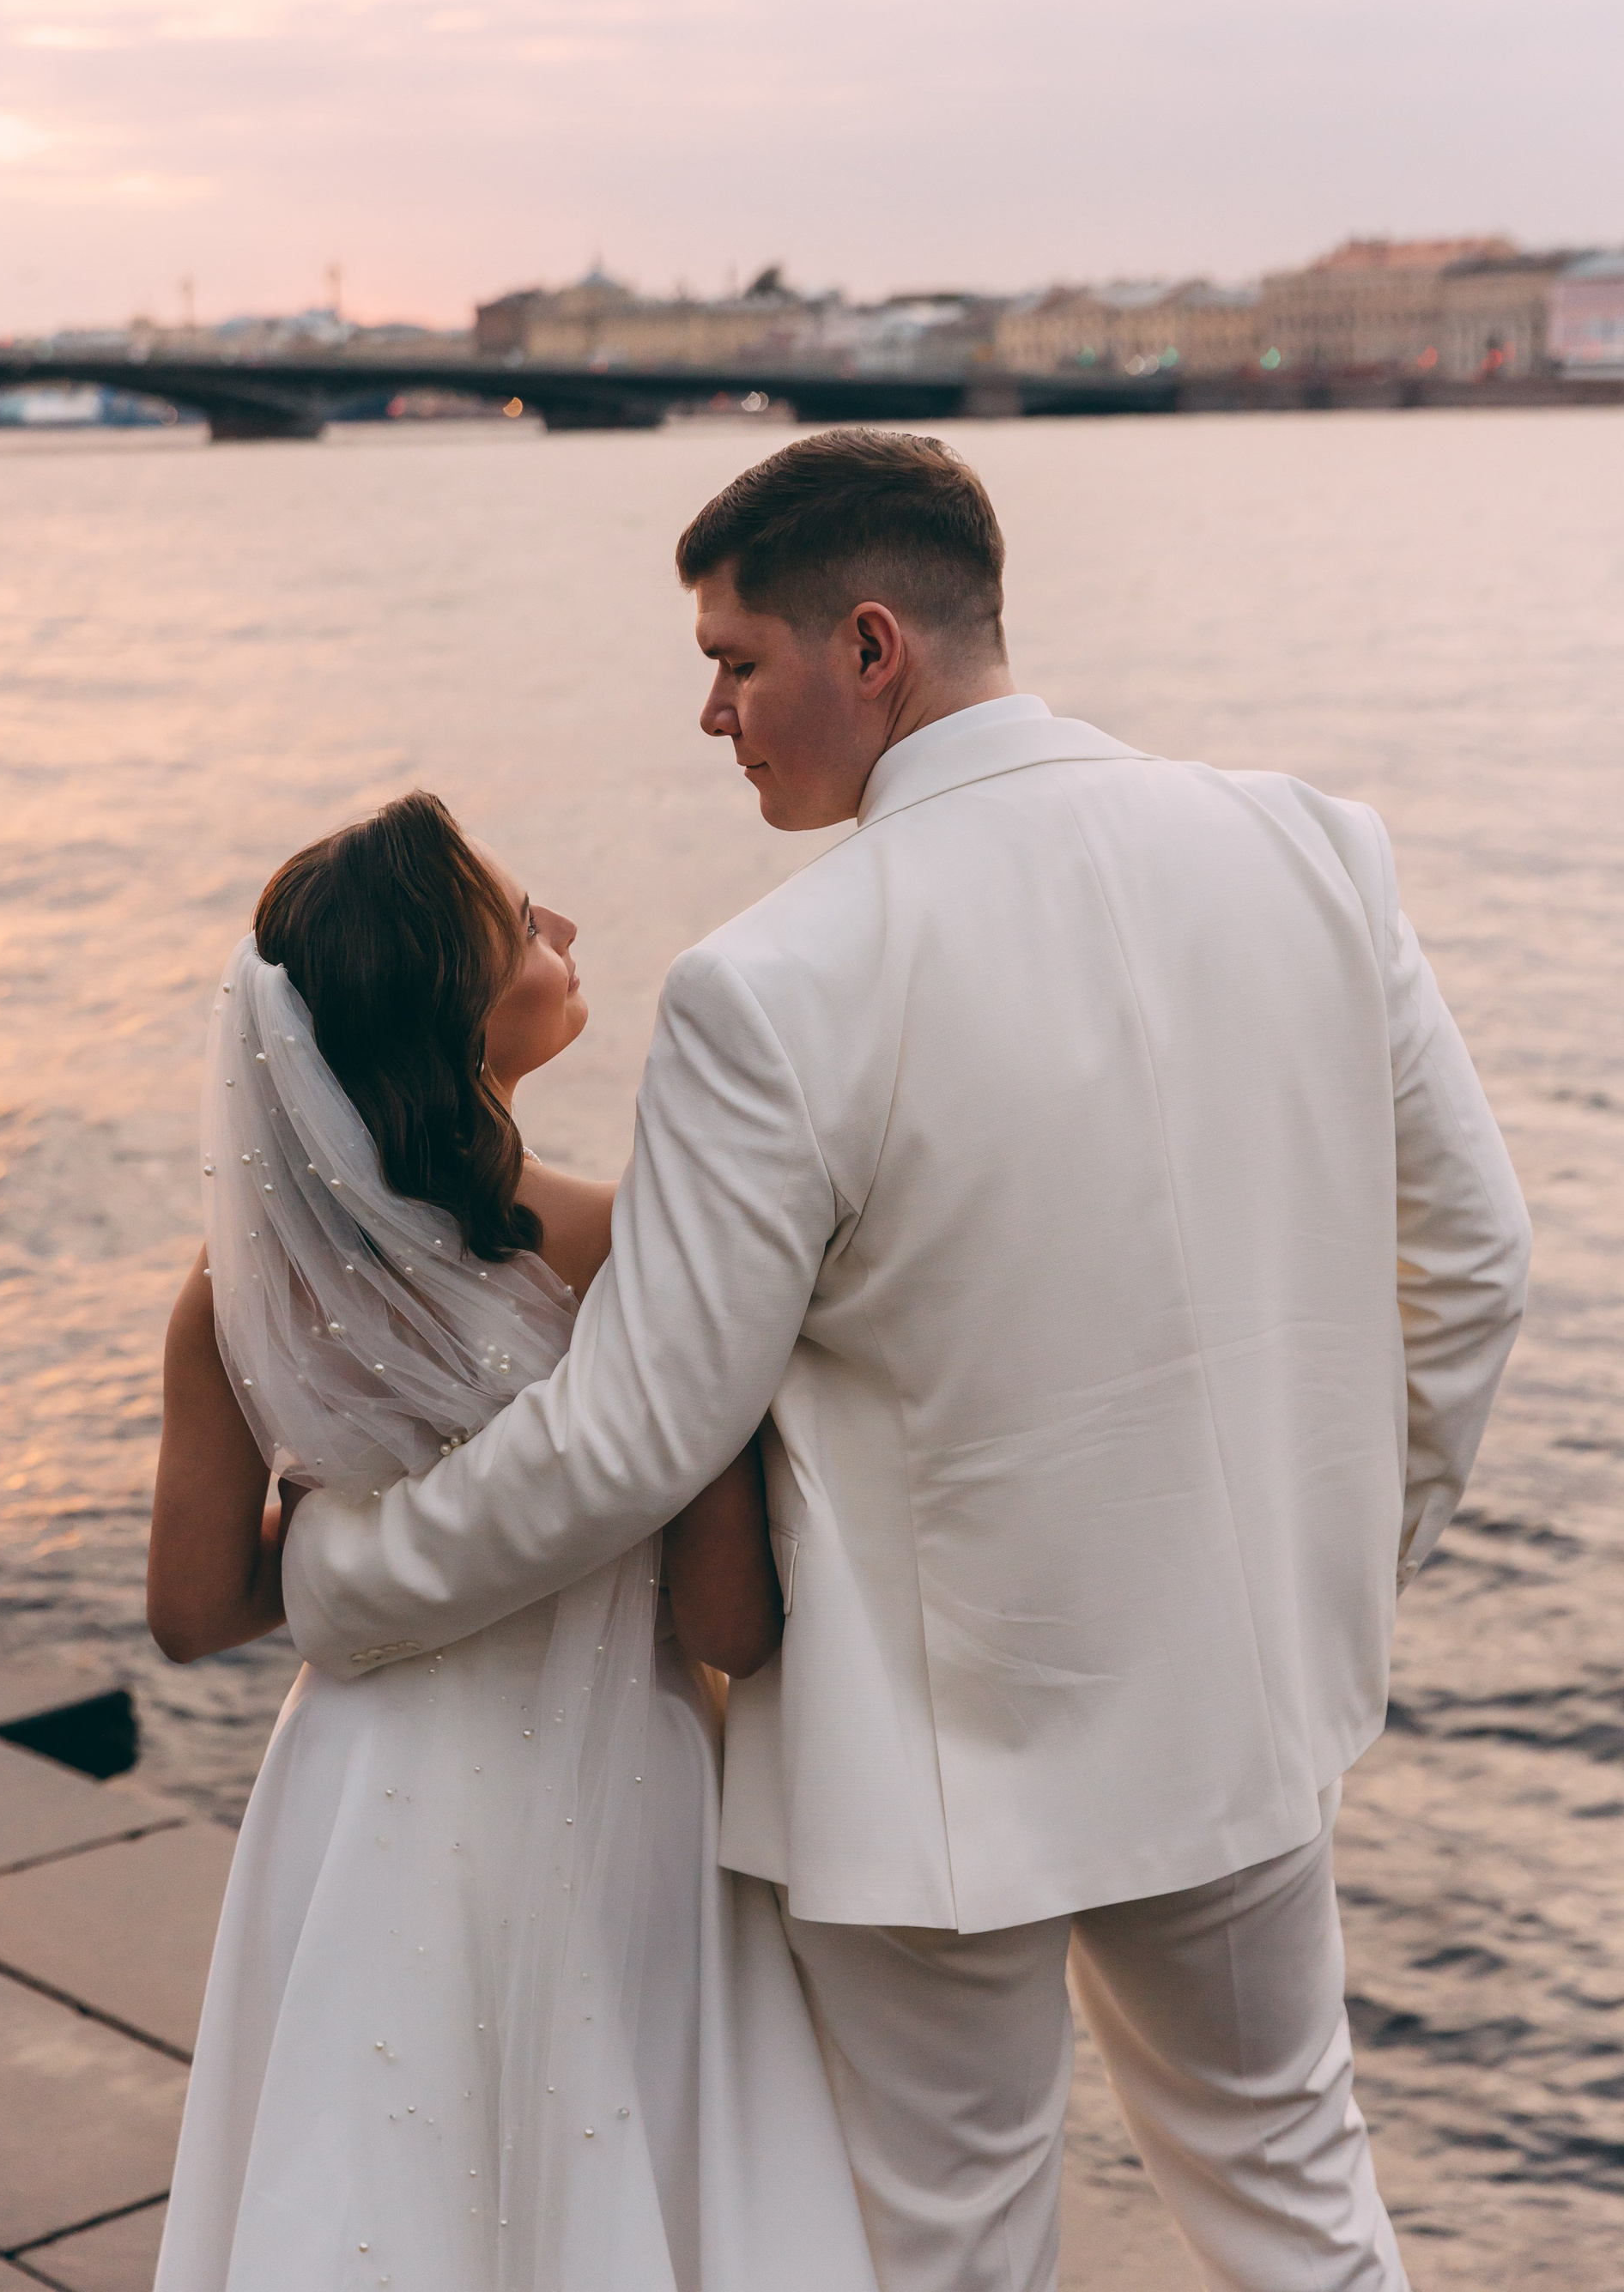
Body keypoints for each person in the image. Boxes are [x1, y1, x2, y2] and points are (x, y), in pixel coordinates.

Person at [282, 429, 1533, 2292]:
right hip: (1249, 1708)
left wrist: (348, 1580)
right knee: (1301, 2205)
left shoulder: (772, 986)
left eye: (734, 661)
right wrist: (1338, 1563)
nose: (712, 715)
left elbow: (638, 1435)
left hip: (929, 1782)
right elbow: (1480, 1267)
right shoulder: (1309, 848)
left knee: (945, 2259)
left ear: (871, 646)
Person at [147, 791, 878, 2292]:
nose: (564, 930)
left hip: (358, 1793)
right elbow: (727, 1626)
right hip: (611, 1789)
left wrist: (345, 1533)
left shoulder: (237, 1296)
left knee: (366, 2173)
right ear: (457, 1010)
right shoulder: (632, 1253)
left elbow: (192, 1610)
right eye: (525, 923)